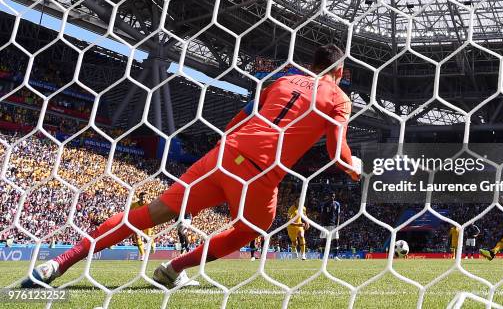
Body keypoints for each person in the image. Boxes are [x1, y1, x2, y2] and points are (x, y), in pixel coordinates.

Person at [22, 44, 361, 288]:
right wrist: (354, 168)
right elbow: (336, 151)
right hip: (259, 172)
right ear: (340, 72)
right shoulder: (339, 99)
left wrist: (229, 147)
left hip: (224, 155)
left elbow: (240, 118)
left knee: (152, 213)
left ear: (311, 65)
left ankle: (56, 264)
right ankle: (174, 269)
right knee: (252, 230)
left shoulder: (284, 81)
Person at [130, 192, 156, 261]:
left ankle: (152, 244)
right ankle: (142, 255)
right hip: (137, 223)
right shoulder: (134, 205)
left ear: (146, 197)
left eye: (144, 197)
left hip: (147, 223)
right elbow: (130, 213)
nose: (143, 198)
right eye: (141, 197)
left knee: (147, 237)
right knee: (137, 237)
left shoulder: (149, 204)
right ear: (139, 197)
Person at [319, 192, 341, 260]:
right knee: (324, 240)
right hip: (325, 225)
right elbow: (322, 215)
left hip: (334, 225)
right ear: (328, 196)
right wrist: (322, 225)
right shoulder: (325, 204)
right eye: (331, 196)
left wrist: (337, 225)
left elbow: (338, 215)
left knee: (335, 240)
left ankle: (335, 256)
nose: (332, 197)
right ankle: (323, 256)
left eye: (333, 196)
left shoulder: (337, 204)